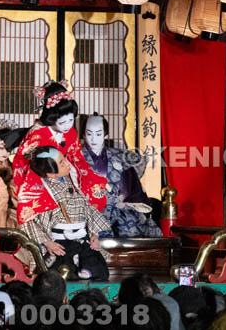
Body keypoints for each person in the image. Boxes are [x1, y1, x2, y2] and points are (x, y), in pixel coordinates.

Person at [11, 81, 107, 228]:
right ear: (50, 117)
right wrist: (52, 169)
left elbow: (76, 156)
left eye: (71, 120)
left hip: (64, 170)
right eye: (63, 122)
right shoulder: (37, 133)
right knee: (42, 203)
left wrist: (80, 172)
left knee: (93, 184)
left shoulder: (70, 132)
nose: (68, 125)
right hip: (40, 174)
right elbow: (25, 159)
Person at [21, 145, 110, 281]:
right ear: (51, 174)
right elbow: (29, 220)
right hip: (59, 242)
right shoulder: (39, 191)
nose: (67, 163)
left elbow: (88, 209)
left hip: (82, 237)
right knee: (63, 274)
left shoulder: (74, 180)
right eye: (61, 163)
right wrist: (47, 242)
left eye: (64, 159)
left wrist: (94, 235)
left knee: (99, 272)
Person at [80, 113, 162, 238]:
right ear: (83, 135)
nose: (93, 139)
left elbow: (131, 190)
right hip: (87, 211)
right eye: (89, 134)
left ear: (105, 134)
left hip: (118, 209)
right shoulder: (74, 158)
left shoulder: (119, 157)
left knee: (132, 229)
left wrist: (126, 201)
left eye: (98, 134)